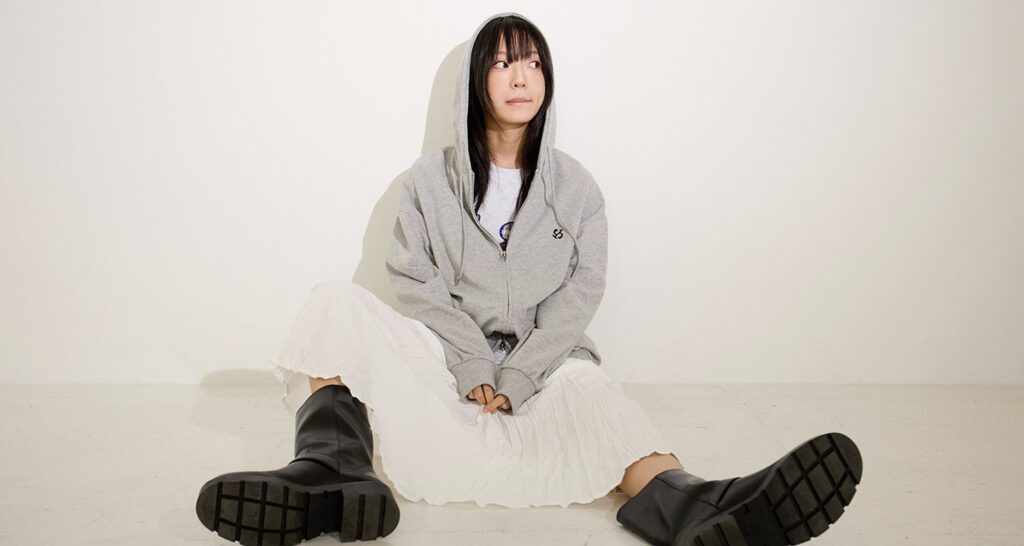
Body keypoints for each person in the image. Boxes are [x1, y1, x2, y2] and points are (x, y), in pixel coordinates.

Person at [195, 12, 864, 546]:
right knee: (334, 304)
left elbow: (581, 294)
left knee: (593, 392)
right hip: (445, 366)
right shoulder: (429, 182)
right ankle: (331, 471)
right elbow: (415, 279)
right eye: (503, 62)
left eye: (535, 62)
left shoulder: (577, 188)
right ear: (476, 82)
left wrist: (518, 373)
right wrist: (469, 360)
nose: (522, 76)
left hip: (542, 369)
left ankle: (695, 503)